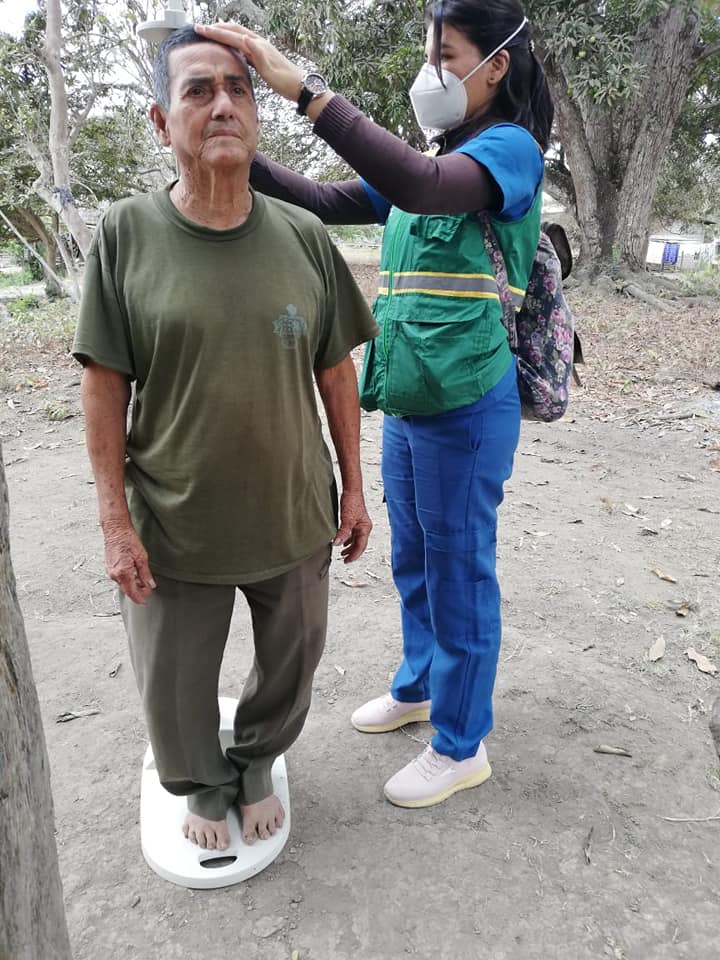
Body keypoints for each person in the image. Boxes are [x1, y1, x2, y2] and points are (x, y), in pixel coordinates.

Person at [197, 0, 553, 810]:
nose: (432, 72)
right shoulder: (431, 159)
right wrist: (236, 143)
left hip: (466, 403)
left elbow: (421, 188)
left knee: (459, 567)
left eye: (446, 55)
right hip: (410, 397)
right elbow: (322, 201)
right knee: (415, 559)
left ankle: (461, 743)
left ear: (495, 65)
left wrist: (304, 90)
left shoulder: (508, 152)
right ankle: (421, 685)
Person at [73, 24, 379, 851]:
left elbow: (336, 372)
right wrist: (114, 521)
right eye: (198, 91)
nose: (223, 106)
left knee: (293, 660)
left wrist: (354, 488)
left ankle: (255, 761)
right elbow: (103, 383)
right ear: (160, 120)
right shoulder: (126, 234)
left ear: (256, 113)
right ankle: (202, 782)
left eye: (238, 90)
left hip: (291, 510)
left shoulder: (303, 235)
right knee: (173, 678)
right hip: (175, 520)